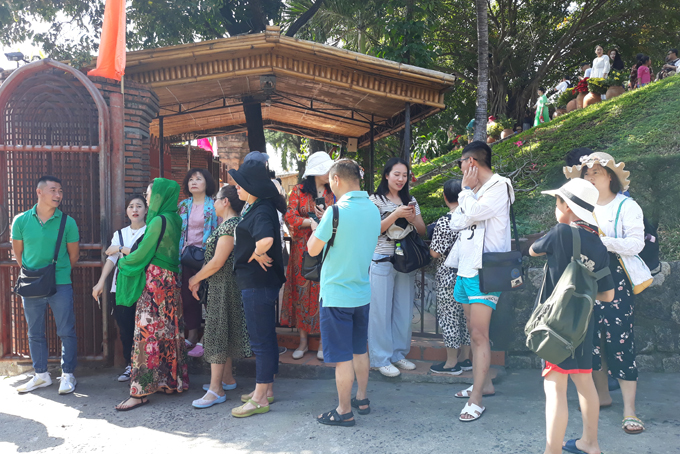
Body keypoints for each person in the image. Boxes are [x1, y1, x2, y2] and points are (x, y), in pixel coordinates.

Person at [565, 152, 650, 435]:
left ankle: (630, 410)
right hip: (585, 279)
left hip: (616, 279)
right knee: (590, 341)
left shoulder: (627, 206)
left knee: (620, 340)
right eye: (586, 173)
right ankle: (601, 396)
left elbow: (635, 244)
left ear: (610, 176)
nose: (590, 176)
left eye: (596, 172)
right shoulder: (579, 207)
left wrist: (602, 242)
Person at [529, 178, 615, 454]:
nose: (556, 207)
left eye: (557, 202)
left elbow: (532, 250)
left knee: (555, 388)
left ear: (566, 206)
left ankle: (551, 451)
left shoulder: (560, 233)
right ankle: (591, 443)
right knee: (584, 380)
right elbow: (608, 295)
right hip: (582, 325)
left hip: (555, 325)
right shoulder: (599, 245)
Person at [307, 159, 381, 427]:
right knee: (360, 349)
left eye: (330, 182)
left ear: (336, 179)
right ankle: (362, 398)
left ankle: (343, 410)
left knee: (341, 358)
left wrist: (317, 227)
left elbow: (312, 250)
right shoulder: (374, 210)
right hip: (362, 292)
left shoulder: (335, 212)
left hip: (336, 294)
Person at [446, 141, 514, 422]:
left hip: (485, 271)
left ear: (471, 163)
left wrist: (465, 194)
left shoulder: (500, 186)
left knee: (478, 334)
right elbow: (455, 222)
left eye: (461, 162)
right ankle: (482, 384)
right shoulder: (473, 192)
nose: (460, 169)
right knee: (472, 331)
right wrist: (467, 198)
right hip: (465, 268)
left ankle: (476, 399)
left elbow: (470, 215)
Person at [114, 178, 189, 411]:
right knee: (169, 331)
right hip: (171, 282)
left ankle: (140, 392)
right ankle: (170, 382)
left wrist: (123, 261)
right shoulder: (176, 218)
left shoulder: (157, 220)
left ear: (159, 195)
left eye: (149, 194)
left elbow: (142, 253)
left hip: (155, 282)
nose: (146, 199)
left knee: (146, 335)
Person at [228, 159, 287, 418]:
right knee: (266, 338)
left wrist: (254, 252)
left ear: (252, 187)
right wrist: (255, 250)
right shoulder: (258, 206)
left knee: (260, 342)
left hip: (257, 283)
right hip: (260, 282)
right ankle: (267, 390)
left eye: (240, 184)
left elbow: (266, 239)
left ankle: (260, 397)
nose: (236, 189)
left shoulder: (261, 209)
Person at [12, 176, 80, 394]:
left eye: (60, 191)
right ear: (39, 192)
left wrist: (54, 272)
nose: (58, 195)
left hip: (60, 282)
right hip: (31, 284)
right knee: (35, 332)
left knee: (66, 330)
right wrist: (36, 274)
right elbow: (18, 254)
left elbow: (74, 255)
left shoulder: (67, 222)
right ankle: (41, 375)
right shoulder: (21, 220)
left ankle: (68, 374)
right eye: (53, 190)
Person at [187, 185, 252, 409]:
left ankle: (217, 390)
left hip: (223, 286)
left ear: (226, 202)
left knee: (216, 334)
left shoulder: (230, 226)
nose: (213, 202)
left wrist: (195, 278)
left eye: (216, 199)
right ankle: (227, 379)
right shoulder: (229, 225)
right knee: (223, 331)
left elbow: (217, 262)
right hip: (223, 285)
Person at [368, 157, 427, 377]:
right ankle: (380, 358)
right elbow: (374, 229)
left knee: (403, 309)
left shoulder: (410, 199)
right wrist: (396, 214)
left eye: (404, 175)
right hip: (382, 258)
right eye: (396, 174)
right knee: (380, 311)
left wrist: (411, 217)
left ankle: (398, 354)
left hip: (406, 260)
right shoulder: (375, 199)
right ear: (386, 175)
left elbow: (421, 230)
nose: (401, 179)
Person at [281, 151, 335, 361]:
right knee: (302, 293)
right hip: (302, 250)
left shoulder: (334, 192)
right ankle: (303, 341)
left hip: (326, 248)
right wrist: (310, 222)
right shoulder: (299, 191)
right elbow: (290, 215)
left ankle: (322, 341)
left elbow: (341, 213)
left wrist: (327, 215)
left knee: (324, 291)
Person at [92, 194, 148, 382]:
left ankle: (146, 367)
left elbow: (142, 255)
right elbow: (110, 259)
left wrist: (119, 248)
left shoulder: (150, 232)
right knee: (125, 329)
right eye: (131, 206)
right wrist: (101, 282)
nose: (135, 210)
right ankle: (130, 366)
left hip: (143, 286)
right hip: (120, 288)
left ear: (146, 210)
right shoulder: (120, 233)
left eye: (139, 206)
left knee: (144, 329)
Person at [428, 179, 471, 375]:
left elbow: (435, 253)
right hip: (469, 273)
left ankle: (451, 363)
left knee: (449, 317)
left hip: (448, 276)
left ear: (445, 197)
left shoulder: (445, 222)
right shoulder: (471, 218)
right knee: (466, 318)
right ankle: (466, 358)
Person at [178, 168, 219, 355]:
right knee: (188, 298)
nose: (194, 182)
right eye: (191, 179)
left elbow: (220, 230)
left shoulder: (214, 205)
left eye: (198, 179)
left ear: (207, 183)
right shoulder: (183, 205)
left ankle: (206, 338)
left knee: (208, 298)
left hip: (208, 257)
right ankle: (192, 335)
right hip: (186, 257)